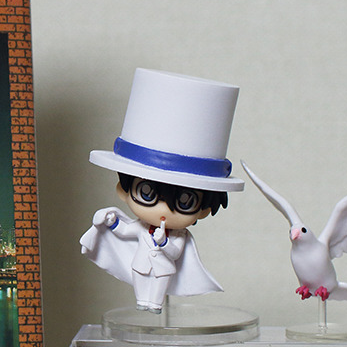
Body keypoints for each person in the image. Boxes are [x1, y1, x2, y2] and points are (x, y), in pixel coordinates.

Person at [79, 69, 244, 312]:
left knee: (157, 289)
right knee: (140, 282)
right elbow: (125, 231)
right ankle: (142, 301)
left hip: (164, 269)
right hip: (140, 265)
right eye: (148, 194)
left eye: (185, 201)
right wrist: (113, 223)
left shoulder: (179, 236)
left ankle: (154, 303)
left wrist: (164, 242)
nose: (164, 208)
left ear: (204, 210)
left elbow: (175, 252)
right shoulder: (140, 227)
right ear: (123, 190)